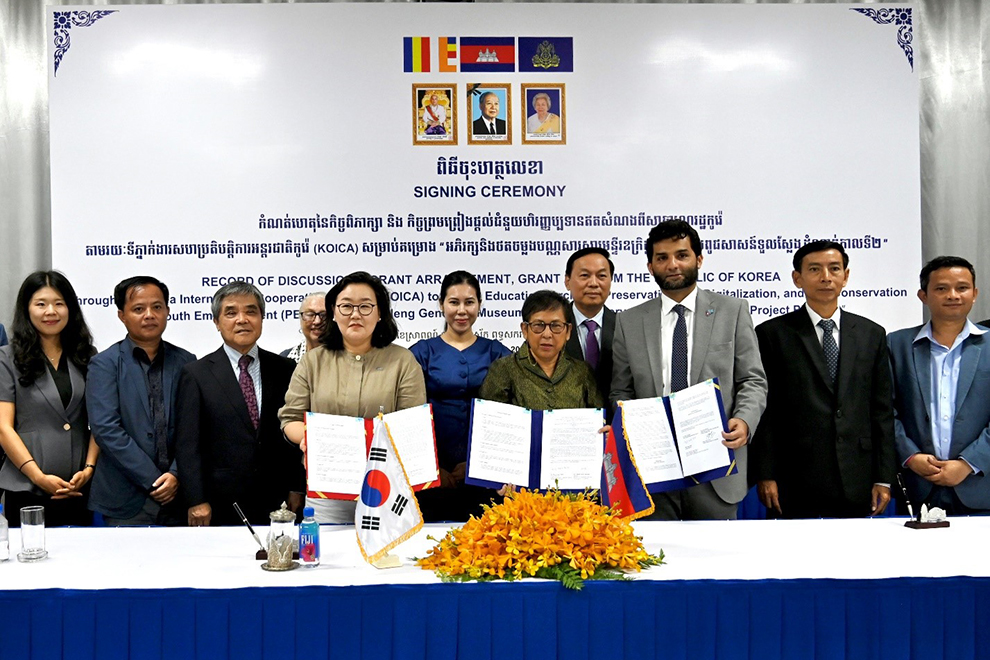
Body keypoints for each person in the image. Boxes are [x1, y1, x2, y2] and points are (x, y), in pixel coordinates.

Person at [611, 220, 767, 520]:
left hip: (717, 469)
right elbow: (621, 391)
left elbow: (752, 379)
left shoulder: (732, 311)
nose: (672, 264)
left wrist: (744, 421)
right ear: (650, 266)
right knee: (655, 563)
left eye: (681, 255)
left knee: (719, 564)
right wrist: (626, 427)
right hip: (653, 474)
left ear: (698, 259)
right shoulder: (629, 322)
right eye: (662, 258)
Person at [750, 241, 896, 518]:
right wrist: (766, 474)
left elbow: (882, 411)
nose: (825, 277)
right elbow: (767, 412)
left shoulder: (871, 334)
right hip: (794, 477)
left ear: (846, 276)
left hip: (858, 475)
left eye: (834, 269)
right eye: (815, 269)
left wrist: (883, 477)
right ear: (798, 278)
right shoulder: (773, 334)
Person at [279, 272, 427, 523]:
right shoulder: (313, 361)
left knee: (386, 559)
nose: (355, 314)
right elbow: (290, 419)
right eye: (346, 306)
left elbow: (412, 426)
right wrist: (310, 438)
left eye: (365, 306)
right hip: (328, 490)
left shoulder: (403, 361)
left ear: (380, 313)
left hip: (387, 489)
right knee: (328, 559)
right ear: (334, 313)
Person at [174, 281, 303, 526]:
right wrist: (196, 499)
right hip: (219, 501)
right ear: (216, 322)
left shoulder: (286, 369)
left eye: (251, 311)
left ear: (262, 318)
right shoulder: (196, 374)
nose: (242, 319)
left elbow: (294, 435)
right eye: (231, 313)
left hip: (278, 500)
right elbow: (187, 444)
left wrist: (297, 487)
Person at [86, 276, 196, 526]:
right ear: (121, 315)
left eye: (157, 307)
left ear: (167, 311)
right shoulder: (104, 364)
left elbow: (193, 426)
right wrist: (154, 480)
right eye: (138, 309)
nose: (149, 315)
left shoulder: (187, 362)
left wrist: (176, 474)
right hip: (126, 498)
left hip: (179, 495)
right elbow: (106, 429)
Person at [888, 256, 990, 515]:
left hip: (979, 485)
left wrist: (968, 463)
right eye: (941, 288)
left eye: (962, 288)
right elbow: (883, 411)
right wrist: (910, 457)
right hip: (917, 485)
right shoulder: (896, 345)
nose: (953, 295)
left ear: (975, 293)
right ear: (923, 295)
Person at [410, 271, 511, 521]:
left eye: (469, 302)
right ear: (441, 304)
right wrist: (434, 467)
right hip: (432, 475)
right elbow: (410, 416)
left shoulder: (498, 353)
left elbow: (509, 417)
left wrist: (476, 465)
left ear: (479, 304)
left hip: (486, 474)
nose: (462, 310)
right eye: (454, 302)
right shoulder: (421, 353)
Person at [0, 271, 99, 527]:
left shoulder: (87, 356)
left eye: (59, 303)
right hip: (26, 489)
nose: (51, 311)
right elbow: (3, 427)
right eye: (41, 304)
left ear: (70, 308)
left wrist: (88, 469)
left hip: (79, 487)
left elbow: (100, 420)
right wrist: (38, 476)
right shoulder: (7, 358)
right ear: (27, 309)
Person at [480, 290, 603, 410]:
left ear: (568, 331)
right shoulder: (503, 369)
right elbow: (490, 423)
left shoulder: (583, 372)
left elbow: (598, 419)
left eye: (556, 325)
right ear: (525, 329)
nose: (547, 334)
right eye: (539, 325)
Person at [563, 247, 616, 404]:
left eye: (601, 276)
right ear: (567, 281)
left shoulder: (625, 327)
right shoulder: (552, 328)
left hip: (614, 423)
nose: (594, 283)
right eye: (585, 275)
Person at [281, 291, 326, 363]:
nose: (317, 321)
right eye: (310, 314)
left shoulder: (345, 359)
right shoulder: (285, 358)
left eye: (324, 315)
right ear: (300, 318)